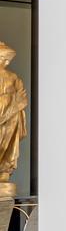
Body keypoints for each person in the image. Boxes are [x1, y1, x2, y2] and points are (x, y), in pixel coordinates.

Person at [0, 41, 27, 199]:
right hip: (7, 112)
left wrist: (15, 105)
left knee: (8, 145)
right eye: (3, 58)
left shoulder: (14, 78)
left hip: (11, 119)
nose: (6, 62)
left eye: (8, 59)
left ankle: (4, 170)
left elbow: (22, 99)